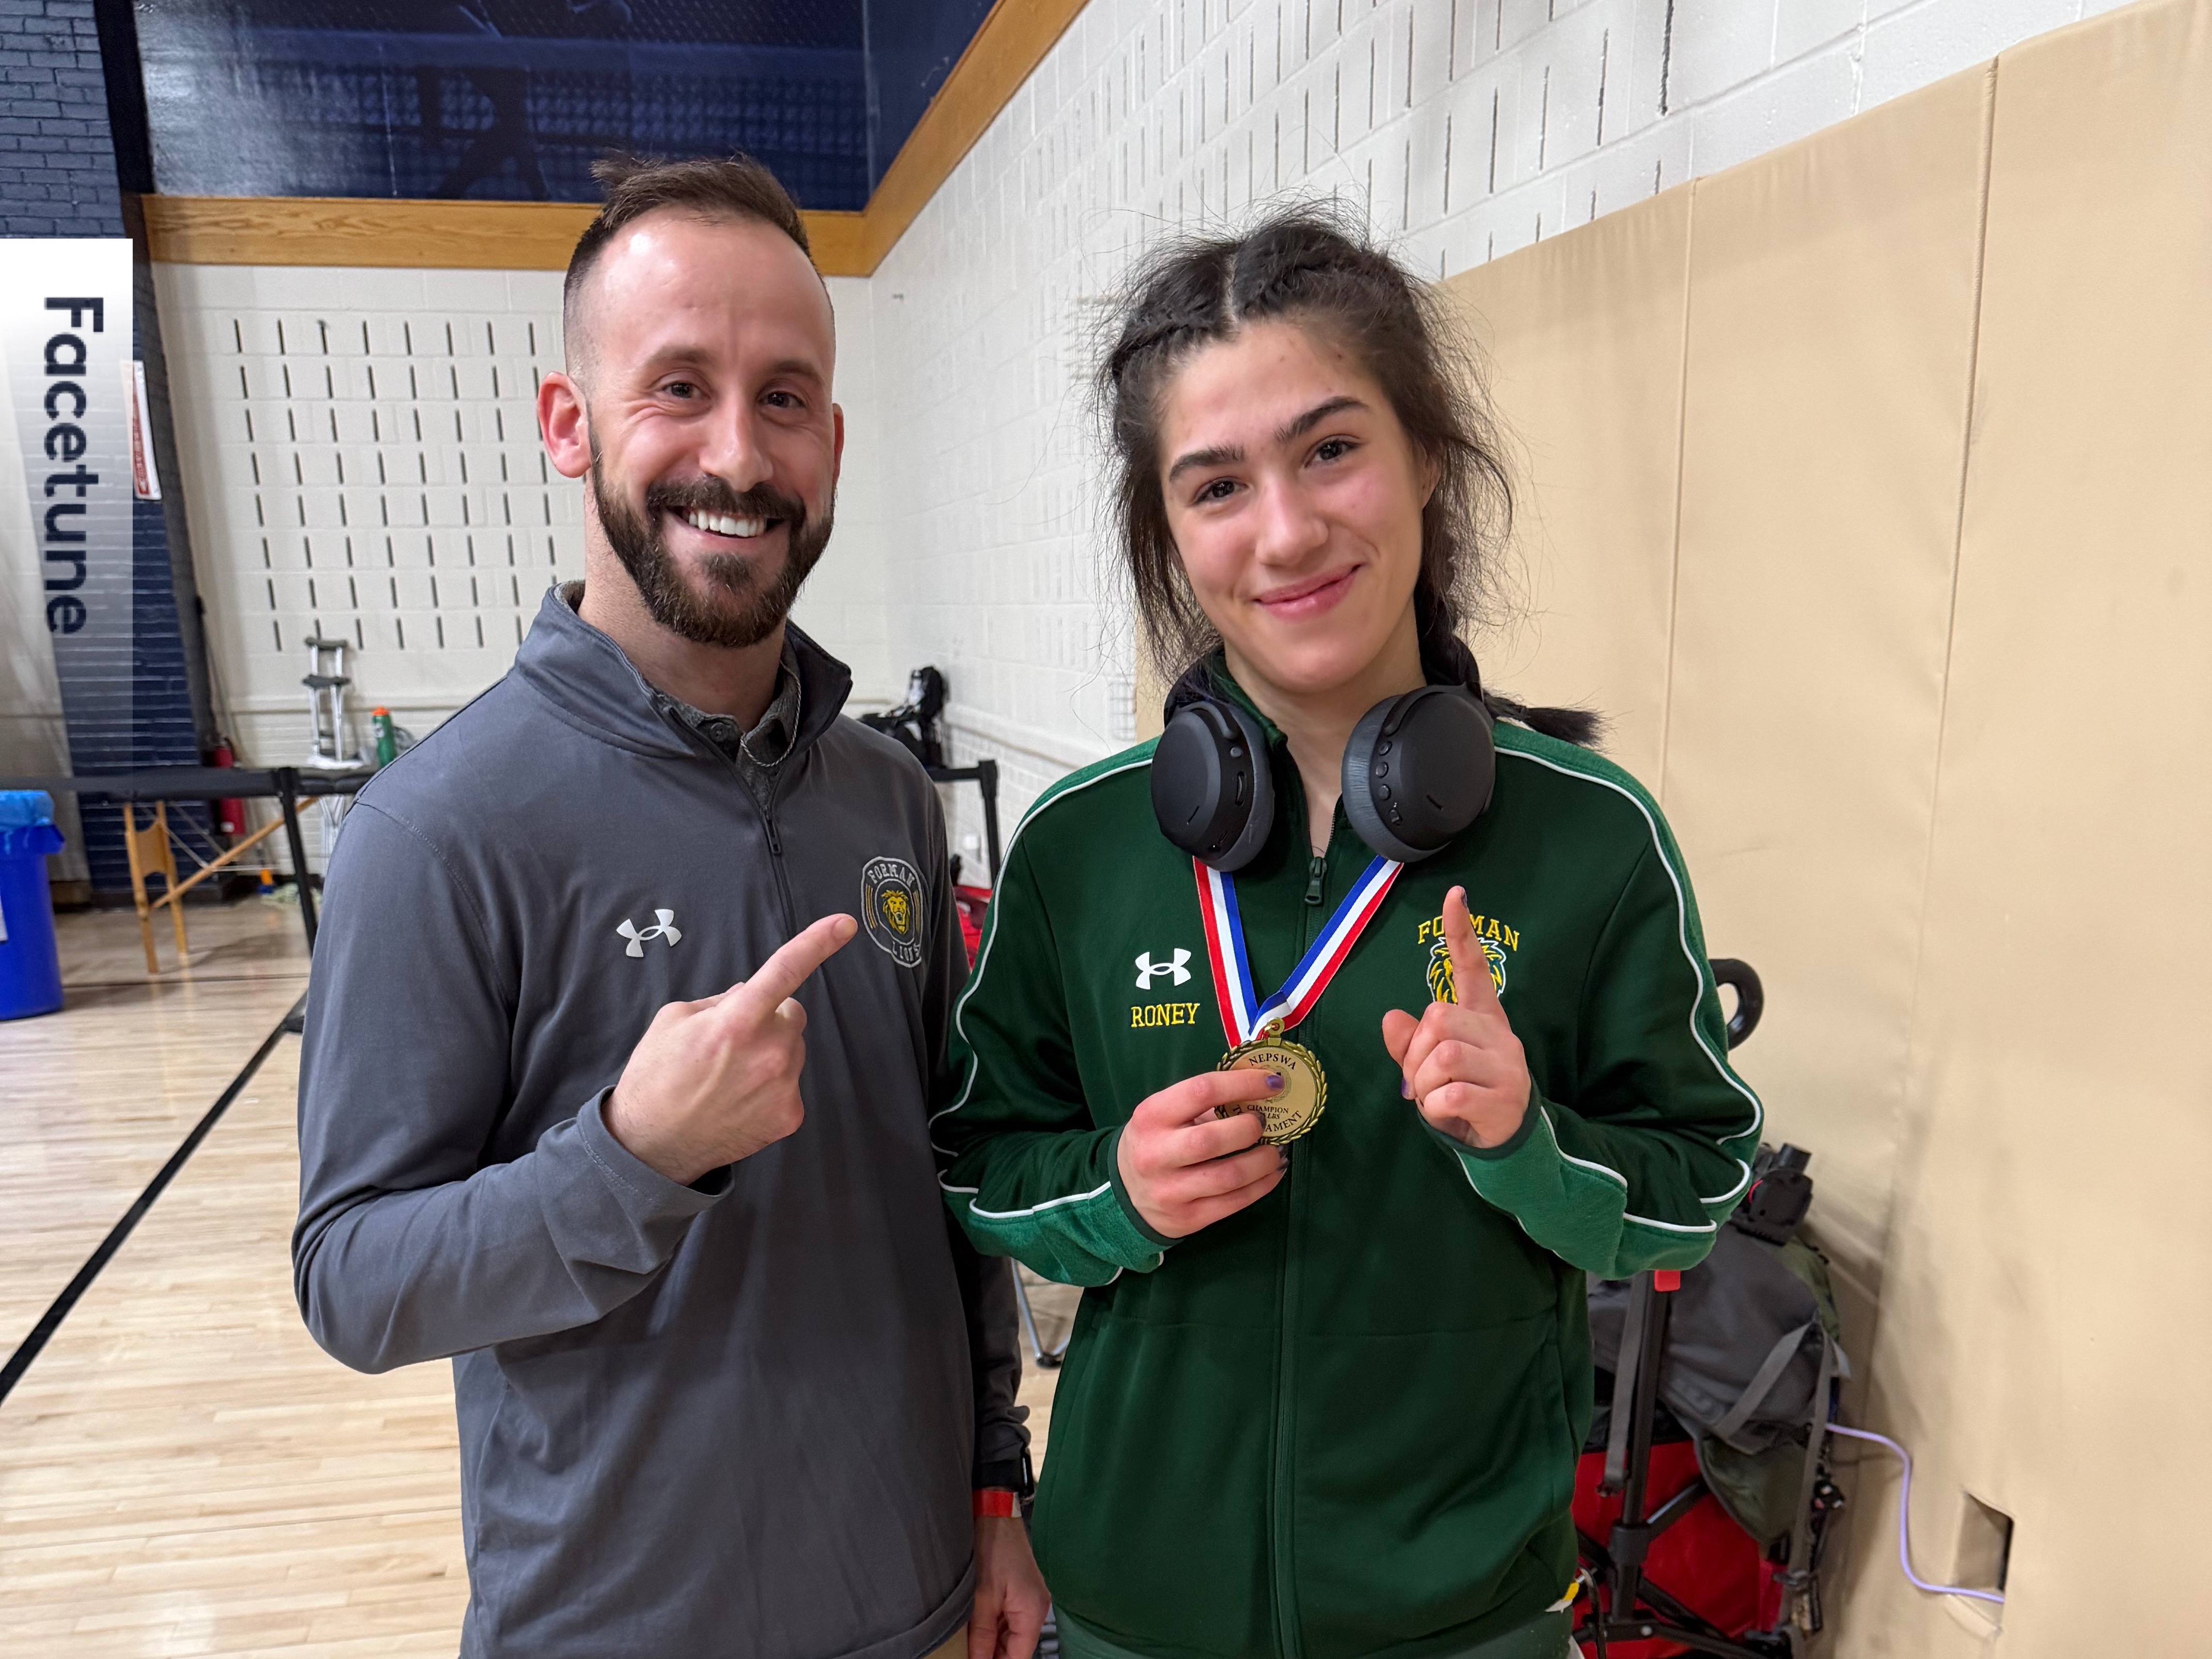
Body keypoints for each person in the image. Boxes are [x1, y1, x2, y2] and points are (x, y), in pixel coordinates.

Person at [933, 208, 1763, 1659]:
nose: (1286, 530)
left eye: (1329, 450)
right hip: (1136, 1609)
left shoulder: (1589, 837)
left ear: (1426, 454)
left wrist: (1533, 1152)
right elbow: (976, 1168)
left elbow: (1697, 1183)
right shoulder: (1079, 846)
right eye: (1215, 485)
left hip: (1465, 1618)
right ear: (1168, 532)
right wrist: (1116, 1191)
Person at [293, 154, 1047, 1659]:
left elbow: (947, 1175)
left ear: (833, 440)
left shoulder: (887, 799)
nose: (740, 456)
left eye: (784, 399)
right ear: (568, 423)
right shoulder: (435, 831)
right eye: (679, 389)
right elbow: (354, 1282)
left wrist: (992, 1480)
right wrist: (629, 1157)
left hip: (920, 1602)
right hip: (614, 1623)